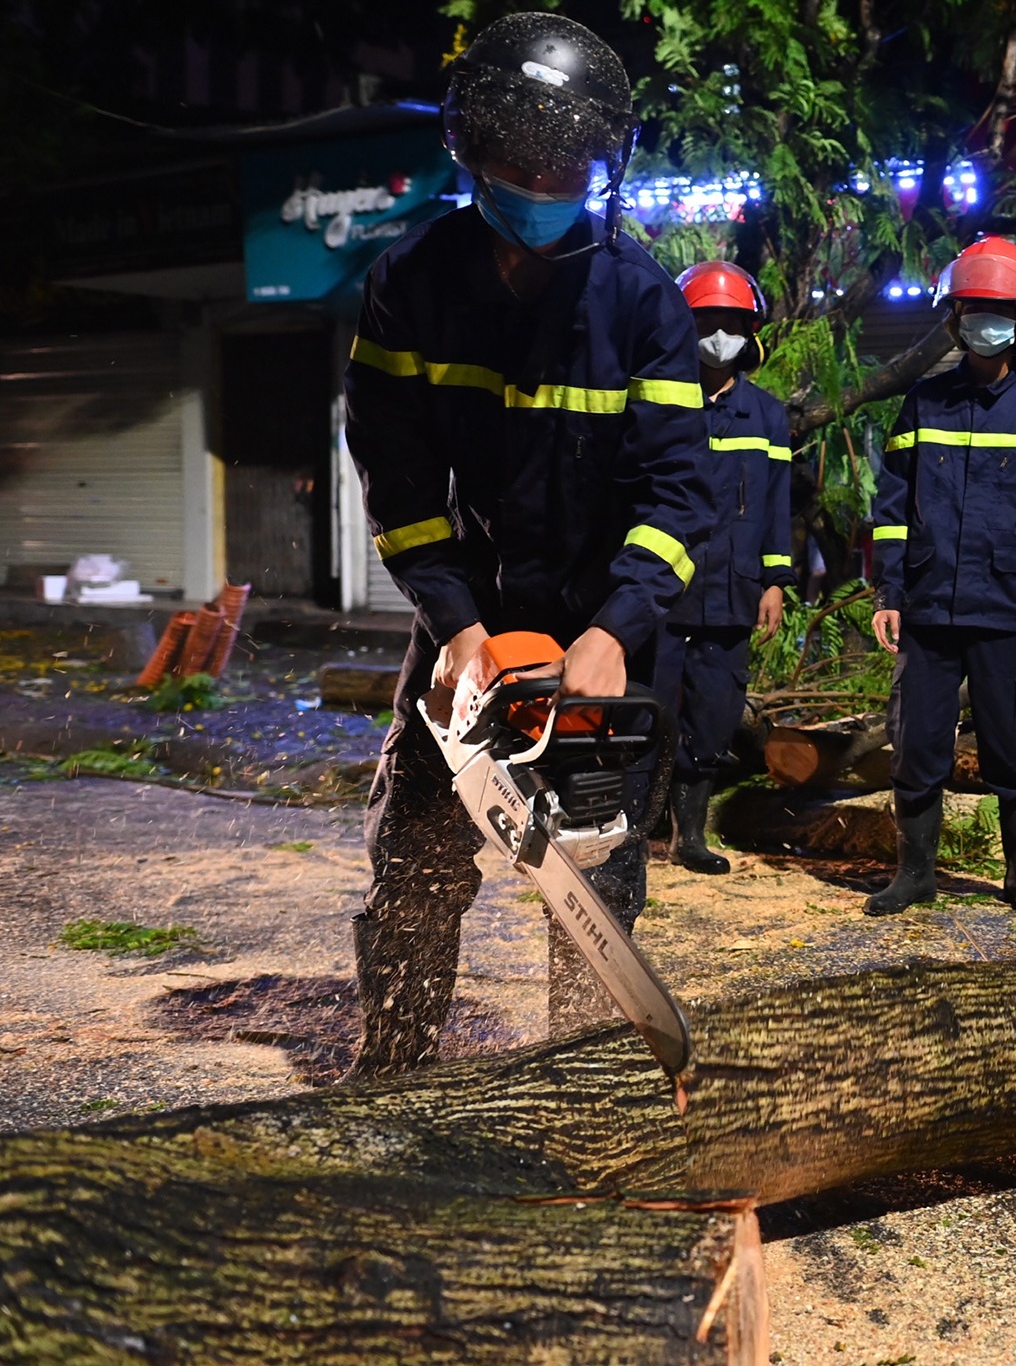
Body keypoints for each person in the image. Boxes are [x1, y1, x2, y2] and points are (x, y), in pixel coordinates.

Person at [341, 13, 710, 1077]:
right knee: (416, 854)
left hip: (598, 619)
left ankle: (584, 1083)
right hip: (469, 608)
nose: (543, 185)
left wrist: (615, 629)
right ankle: (394, 1065)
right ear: (475, 150)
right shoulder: (409, 283)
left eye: (565, 167)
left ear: (599, 164)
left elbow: (681, 491)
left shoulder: (642, 302)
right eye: (523, 164)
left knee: (591, 876)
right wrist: (456, 627)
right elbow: (401, 483)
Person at [864, 237, 1016, 918]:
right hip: (928, 608)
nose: (985, 320)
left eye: (999, 309)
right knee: (917, 743)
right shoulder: (923, 403)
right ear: (954, 317)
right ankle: (915, 876)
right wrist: (889, 592)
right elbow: (892, 507)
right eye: (973, 308)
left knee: (1015, 745)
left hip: (1008, 607)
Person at [659, 261, 796, 874]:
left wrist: (775, 581)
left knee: (714, 712)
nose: (719, 336)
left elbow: (776, 504)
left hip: (733, 588)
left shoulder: (766, 415)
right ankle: (630, 833)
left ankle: (689, 836)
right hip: (661, 587)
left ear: (750, 332)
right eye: (706, 322)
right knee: (648, 707)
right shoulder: (658, 405)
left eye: (731, 324)